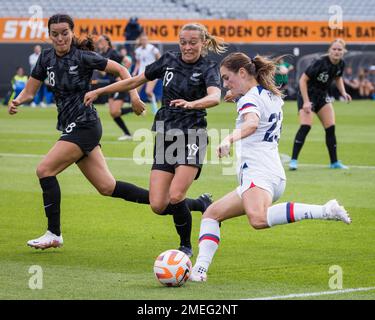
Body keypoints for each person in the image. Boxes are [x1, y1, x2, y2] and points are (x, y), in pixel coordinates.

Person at [8, 14, 210, 250]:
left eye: (65, 32)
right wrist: (18, 100)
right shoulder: (45, 58)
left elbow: (123, 70)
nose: (60, 38)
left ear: (72, 32)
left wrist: (134, 97)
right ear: (49, 35)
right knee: (108, 187)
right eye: (55, 34)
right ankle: (197, 203)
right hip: (69, 125)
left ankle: (54, 233)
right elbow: (31, 91)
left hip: (85, 124)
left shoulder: (83, 56)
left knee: (44, 170)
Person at [189, 52, 351, 282]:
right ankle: (199, 270)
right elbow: (260, 112)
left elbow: (253, 123)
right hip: (269, 173)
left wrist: (229, 138)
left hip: (259, 173)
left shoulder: (249, 99)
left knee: (258, 219)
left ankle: (325, 210)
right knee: (212, 214)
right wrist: (237, 96)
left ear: (243, 73)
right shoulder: (270, 95)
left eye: (227, 78)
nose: (225, 84)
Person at [84, 23, 227, 257]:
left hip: (192, 135)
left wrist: (192, 104)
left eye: (193, 42)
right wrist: (100, 91)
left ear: (202, 43)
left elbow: (215, 97)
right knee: (158, 205)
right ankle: (201, 204)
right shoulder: (169, 60)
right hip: (165, 134)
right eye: (183, 42)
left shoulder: (208, 67)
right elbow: (134, 80)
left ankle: (186, 246)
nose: (187, 47)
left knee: (176, 195)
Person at [289, 39, 351, 171]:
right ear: (330, 50)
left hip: (322, 96)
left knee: (330, 128)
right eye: (334, 49)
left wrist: (344, 93)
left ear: (343, 51)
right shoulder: (319, 62)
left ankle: (334, 162)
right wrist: (306, 101)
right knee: (306, 126)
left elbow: (338, 78)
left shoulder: (341, 64)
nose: (336, 51)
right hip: (307, 95)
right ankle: (293, 160)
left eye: (339, 49)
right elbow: (303, 80)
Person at [96, 35, 133, 140]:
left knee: (115, 111)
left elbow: (127, 61)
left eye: (101, 41)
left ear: (107, 42)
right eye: (98, 41)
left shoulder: (112, 52)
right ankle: (127, 134)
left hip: (120, 84)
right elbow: (103, 73)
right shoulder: (101, 55)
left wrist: (122, 76)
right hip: (111, 85)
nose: (99, 43)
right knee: (113, 114)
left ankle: (133, 109)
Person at [132, 33, 161, 115]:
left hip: (152, 73)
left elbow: (160, 59)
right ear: (140, 41)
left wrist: (157, 68)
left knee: (148, 92)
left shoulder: (152, 49)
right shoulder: (138, 51)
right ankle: (142, 110)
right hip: (142, 73)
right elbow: (138, 63)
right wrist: (135, 71)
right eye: (142, 40)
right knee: (135, 92)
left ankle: (155, 109)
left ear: (147, 40)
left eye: (145, 40)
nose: (144, 41)